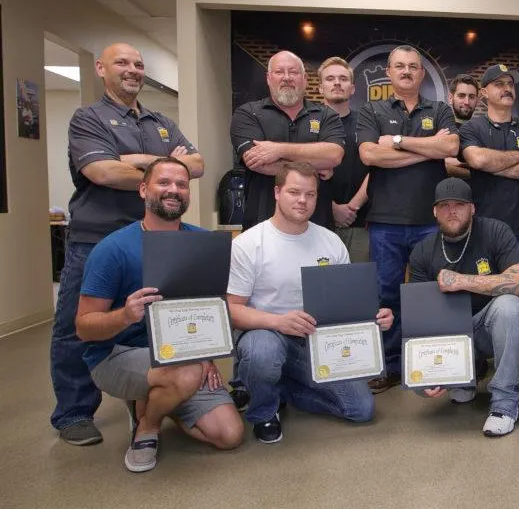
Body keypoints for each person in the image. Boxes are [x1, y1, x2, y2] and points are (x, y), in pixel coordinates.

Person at [53, 42, 205, 446]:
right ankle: (73, 413)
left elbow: (196, 165)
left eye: (139, 64)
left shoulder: (161, 121)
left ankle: (145, 389)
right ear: (101, 69)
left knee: (151, 315)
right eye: (123, 62)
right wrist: (157, 161)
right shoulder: (89, 118)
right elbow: (100, 172)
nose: (133, 70)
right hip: (97, 235)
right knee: (78, 325)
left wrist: (134, 158)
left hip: (156, 236)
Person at [75, 158, 241, 472]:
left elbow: (210, 309)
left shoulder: (201, 243)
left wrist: (206, 358)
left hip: (184, 356)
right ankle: (148, 425)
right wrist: (125, 314)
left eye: (181, 184)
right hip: (117, 354)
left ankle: (162, 399)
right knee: (186, 373)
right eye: (163, 182)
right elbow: (84, 328)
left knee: (229, 435)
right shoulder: (113, 250)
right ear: (143, 189)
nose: (174, 190)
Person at [227, 162, 394, 444]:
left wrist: (374, 316)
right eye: (294, 192)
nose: (303, 200)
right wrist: (278, 322)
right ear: (277, 192)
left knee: (361, 409)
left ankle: (279, 387)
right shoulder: (248, 244)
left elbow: (346, 302)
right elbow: (231, 310)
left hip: (316, 341)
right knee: (262, 354)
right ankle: (264, 411)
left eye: (310, 194)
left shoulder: (331, 242)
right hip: (267, 335)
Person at [356, 45, 459, 392]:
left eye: (413, 66)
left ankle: (432, 363)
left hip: (431, 220)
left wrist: (398, 142)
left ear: (421, 73)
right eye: (399, 66)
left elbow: (449, 149)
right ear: (388, 71)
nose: (407, 71)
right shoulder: (371, 109)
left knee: (433, 293)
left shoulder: (440, 109)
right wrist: (425, 149)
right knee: (386, 296)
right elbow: (370, 155)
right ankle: (390, 365)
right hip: (385, 221)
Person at [408, 178, 519, 437]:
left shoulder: (496, 231)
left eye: (459, 205)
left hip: (487, 327)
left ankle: (505, 404)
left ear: (472, 208)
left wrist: (462, 281)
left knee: (508, 305)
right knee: (420, 383)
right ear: (434, 211)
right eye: (445, 205)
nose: (452, 211)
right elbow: (419, 312)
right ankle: (463, 377)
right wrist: (427, 369)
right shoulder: (422, 250)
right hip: (450, 334)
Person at [230, 50, 345, 231]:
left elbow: (334, 155)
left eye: (293, 72)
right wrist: (315, 166)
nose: (286, 78)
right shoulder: (247, 113)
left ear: (304, 79)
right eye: (279, 72)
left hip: (317, 227)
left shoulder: (326, 115)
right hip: (262, 225)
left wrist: (278, 150)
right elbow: (257, 162)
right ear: (268, 78)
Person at [460, 64, 519, 268]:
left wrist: (495, 166)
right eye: (499, 84)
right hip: (486, 230)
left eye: (510, 84)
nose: (507, 88)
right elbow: (478, 160)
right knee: (486, 293)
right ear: (484, 93)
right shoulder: (471, 128)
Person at [319, 57, 369, 262]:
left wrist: (352, 207)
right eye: (330, 79)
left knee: (358, 287)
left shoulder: (366, 123)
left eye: (343, 78)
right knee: (320, 286)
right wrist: (331, 208)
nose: (337, 83)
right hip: (317, 221)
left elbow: (377, 168)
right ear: (321, 88)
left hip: (359, 222)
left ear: (353, 88)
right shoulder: (308, 122)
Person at [446, 74, 479, 179]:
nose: (467, 102)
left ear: (477, 101)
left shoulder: (485, 129)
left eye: (471, 97)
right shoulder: (441, 127)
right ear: (451, 98)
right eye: (461, 96)